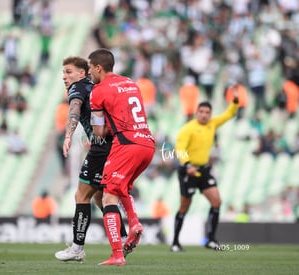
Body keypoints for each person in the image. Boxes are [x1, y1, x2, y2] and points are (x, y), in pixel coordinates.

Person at [55, 56, 128, 263]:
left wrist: (68, 135)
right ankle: (123, 238)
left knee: (81, 195)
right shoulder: (95, 86)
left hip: (101, 147)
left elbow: (75, 108)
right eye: (63, 72)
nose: (64, 76)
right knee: (100, 197)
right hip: (116, 145)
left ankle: (77, 248)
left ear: (82, 73)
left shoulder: (78, 88)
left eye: (69, 72)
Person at [88, 48, 155, 265]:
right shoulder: (130, 83)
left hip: (126, 144)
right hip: (147, 143)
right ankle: (134, 223)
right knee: (121, 185)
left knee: (108, 196)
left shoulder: (98, 90)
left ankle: (117, 254)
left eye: (90, 69)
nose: (89, 73)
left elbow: (99, 132)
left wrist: (105, 122)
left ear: (98, 68)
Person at [171, 84, 239, 252]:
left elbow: (229, 114)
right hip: (189, 170)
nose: (204, 115)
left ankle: (211, 240)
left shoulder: (212, 124)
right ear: (197, 113)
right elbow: (180, 148)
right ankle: (175, 242)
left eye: (207, 113)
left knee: (217, 202)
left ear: (210, 114)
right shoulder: (188, 128)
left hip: (204, 170)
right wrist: (187, 165)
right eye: (201, 112)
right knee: (184, 207)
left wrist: (235, 99)